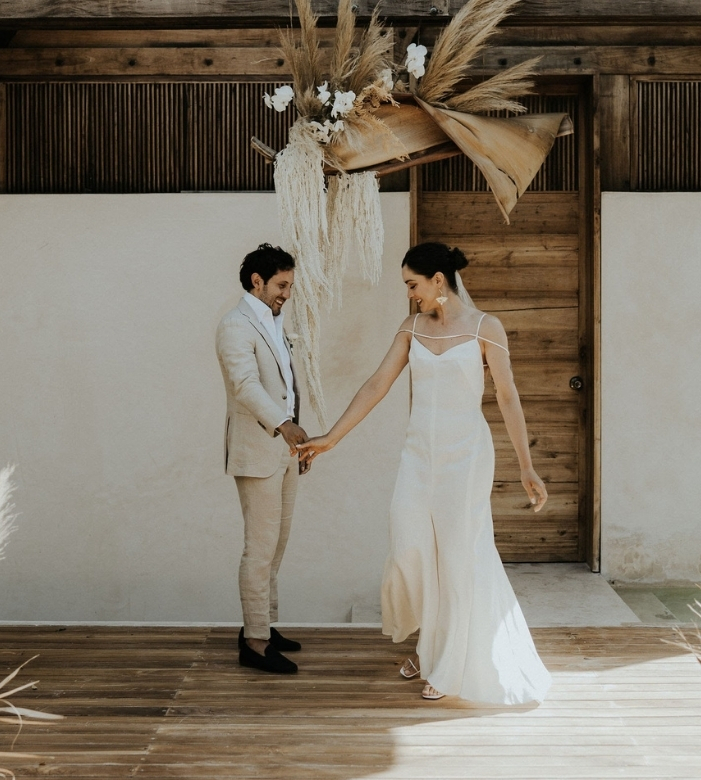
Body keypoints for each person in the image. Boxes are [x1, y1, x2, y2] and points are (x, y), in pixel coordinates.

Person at [296, 242, 552, 703]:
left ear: (439, 280)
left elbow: (508, 397)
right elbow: (377, 383)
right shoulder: (411, 328)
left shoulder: (485, 328)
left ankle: (447, 659)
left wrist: (526, 466)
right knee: (408, 546)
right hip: (419, 456)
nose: (410, 294)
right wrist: (331, 438)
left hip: (465, 455)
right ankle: (428, 636)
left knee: (457, 555)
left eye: (413, 284)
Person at [216, 243, 312, 675]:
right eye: (281, 285)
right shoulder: (234, 326)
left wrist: (298, 438)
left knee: (277, 546)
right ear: (257, 281)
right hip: (257, 451)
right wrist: (283, 425)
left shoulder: (275, 323)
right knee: (258, 549)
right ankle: (254, 641)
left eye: (289, 285)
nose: (286, 294)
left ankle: (265, 626)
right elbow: (245, 385)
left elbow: (287, 385)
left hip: (284, 452)